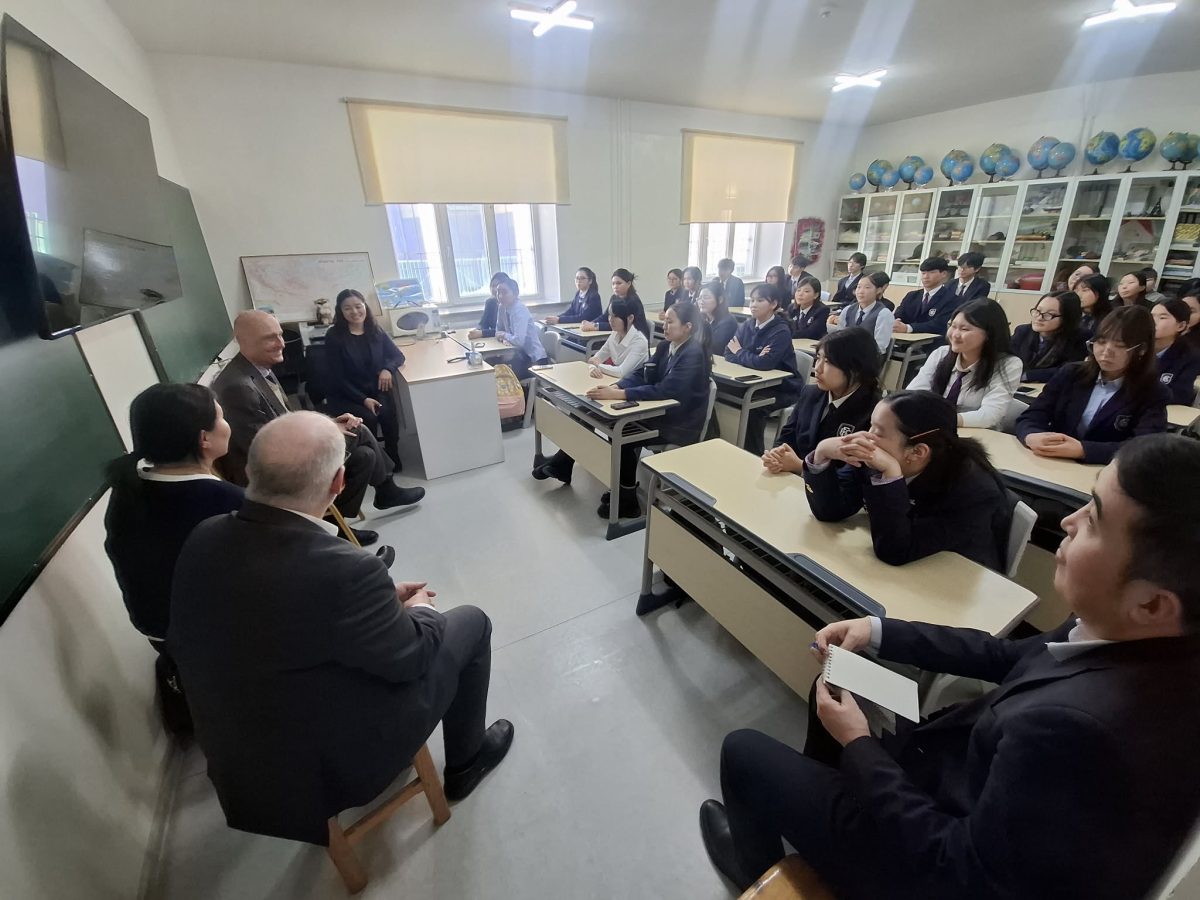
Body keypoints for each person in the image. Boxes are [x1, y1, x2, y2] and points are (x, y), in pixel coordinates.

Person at [704, 432, 1200, 900]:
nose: (1068, 521)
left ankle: (754, 866)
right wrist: (877, 630)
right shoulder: (1128, 631)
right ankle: (818, 811)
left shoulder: (1081, 730)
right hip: (951, 776)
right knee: (834, 683)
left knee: (744, 751)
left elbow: (958, 872)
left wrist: (858, 745)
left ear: (1153, 604)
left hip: (925, 859)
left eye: (1094, 519)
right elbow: (1006, 656)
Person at [169, 412, 514, 848]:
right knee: (471, 622)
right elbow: (411, 659)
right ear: (339, 482)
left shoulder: (204, 536)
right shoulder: (344, 568)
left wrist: (379, 604)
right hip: (331, 768)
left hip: (244, 767)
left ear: (250, 472)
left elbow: (284, 617)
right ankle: (466, 763)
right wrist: (420, 610)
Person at [212, 311, 423, 546]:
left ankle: (334, 526)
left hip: (284, 450)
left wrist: (328, 424)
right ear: (243, 341)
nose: (281, 343)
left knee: (365, 456)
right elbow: (261, 449)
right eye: (270, 338)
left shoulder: (258, 368)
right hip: (271, 472)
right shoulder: (238, 387)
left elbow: (284, 421)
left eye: (280, 335)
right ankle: (385, 489)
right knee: (359, 432)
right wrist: (324, 432)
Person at [104, 383, 242, 735]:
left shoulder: (129, 489)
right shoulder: (224, 501)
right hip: (218, 639)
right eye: (221, 417)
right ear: (204, 439)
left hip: (159, 632)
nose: (227, 424)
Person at [533, 302, 712, 519]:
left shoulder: (693, 353)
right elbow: (642, 373)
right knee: (588, 412)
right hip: (658, 412)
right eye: (664, 321)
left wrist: (621, 394)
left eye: (670, 322)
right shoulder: (666, 346)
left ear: (688, 327)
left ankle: (628, 501)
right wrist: (617, 387)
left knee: (624, 432)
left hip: (678, 423)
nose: (664, 326)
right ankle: (565, 464)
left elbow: (666, 390)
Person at [801, 390, 1011, 570]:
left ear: (918, 451)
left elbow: (895, 550)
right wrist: (822, 453)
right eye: (870, 426)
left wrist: (891, 475)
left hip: (949, 580)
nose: (865, 437)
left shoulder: (973, 492)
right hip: (900, 574)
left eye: (878, 432)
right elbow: (830, 511)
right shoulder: (874, 457)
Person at [1015, 307, 1167, 464]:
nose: (1106, 352)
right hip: (1050, 462)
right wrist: (1031, 435)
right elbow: (1032, 415)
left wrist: (1084, 450)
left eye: (1120, 345)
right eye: (1101, 342)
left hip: (1105, 470)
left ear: (1141, 349)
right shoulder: (1071, 373)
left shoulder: (1153, 392)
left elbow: (1145, 447)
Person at [765, 328, 881, 474]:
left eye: (828, 362)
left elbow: (855, 474)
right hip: (790, 478)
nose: (817, 368)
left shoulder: (874, 413)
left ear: (856, 368)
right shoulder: (810, 393)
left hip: (826, 487)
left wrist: (801, 467)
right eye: (818, 358)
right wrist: (776, 455)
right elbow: (787, 436)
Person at [322, 288, 407, 468]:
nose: (354, 312)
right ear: (340, 311)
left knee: (388, 414)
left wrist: (387, 369)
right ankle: (374, 462)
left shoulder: (375, 330)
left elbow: (398, 356)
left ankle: (392, 454)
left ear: (365, 306)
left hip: (375, 388)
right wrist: (363, 399)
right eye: (347, 308)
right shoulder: (334, 336)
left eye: (358, 306)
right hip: (348, 393)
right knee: (369, 418)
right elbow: (337, 377)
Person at [906, 299, 1021, 429]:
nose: (955, 334)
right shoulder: (941, 354)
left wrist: (942, 419)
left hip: (977, 433)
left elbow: (990, 415)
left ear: (989, 334)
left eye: (964, 329)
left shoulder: (1008, 365)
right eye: (953, 326)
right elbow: (912, 395)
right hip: (934, 429)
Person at [725, 284, 804, 456]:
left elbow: (765, 363)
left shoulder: (780, 330)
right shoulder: (747, 325)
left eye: (760, 300)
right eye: (752, 300)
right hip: (754, 381)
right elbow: (728, 353)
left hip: (782, 387)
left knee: (754, 407)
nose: (753, 304)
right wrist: (752, 357)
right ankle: (729, 448)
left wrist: (741, 352)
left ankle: (753, 454)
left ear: (773, 304)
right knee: (724, 394)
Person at [1010, 291, 1087, 382]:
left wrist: (1026, 375)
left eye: (1049, 314)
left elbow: (1069, 370)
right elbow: (1007, 359)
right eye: (1038, 311)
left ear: (1067, 318)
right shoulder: (1023, 331)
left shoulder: (1080, 337)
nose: (1039, 318)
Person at [494, 276, 549, 380]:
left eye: (504, 292)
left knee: (502, 376)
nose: (500, 296)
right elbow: (498, 331)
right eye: (498, 292)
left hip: (534, 360)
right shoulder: (501, 307)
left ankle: (520, 390)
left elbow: (519, 341)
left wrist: (504, 335)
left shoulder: (519, 309)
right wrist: (503, 337)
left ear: (515, 294)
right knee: (494, 366)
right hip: (519, 355)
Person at [827, 272, 895, 355]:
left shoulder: (884, 314)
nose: (861, 291)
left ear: (878, 290)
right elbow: (839, 337)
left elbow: (880, 347)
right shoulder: (848, 310)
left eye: (867, 287)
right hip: (845, 355)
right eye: (858, 287)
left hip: (869, 357)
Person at [892, 257, 959, 336]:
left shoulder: (952, 299)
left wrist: (908, 328)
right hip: (904, 338)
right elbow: (899, 314)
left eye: (931, 272)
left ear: (944, 274)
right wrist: (896, 322)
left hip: (933, 341)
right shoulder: (911, 296)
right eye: (923, 273)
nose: (925, 276)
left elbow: (939, 324)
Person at [587, 296, 650, 379]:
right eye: (609, 315)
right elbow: (596, 358)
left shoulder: (640, 341)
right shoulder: (614, 334)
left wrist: (597, 365)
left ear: (630, 318)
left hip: (634, 382)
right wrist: (592, 368)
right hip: (616, 380)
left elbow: (621, 372)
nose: (610, 319)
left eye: (615, 316)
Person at [1151, 298, 1200, 405]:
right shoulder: (1136, 347)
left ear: (1181, 326)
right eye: (1151, 316)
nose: (1153, 322)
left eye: (1162, 317)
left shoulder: (1190, 356)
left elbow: (1180, 395)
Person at [786, 274, 829, 341]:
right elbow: (786, 327)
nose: (800, 294)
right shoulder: (791, 308)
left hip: (813, 344)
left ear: (815, 295)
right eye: (798, 290)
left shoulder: (822, 310)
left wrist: (788, 334)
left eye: (806, 291)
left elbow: (809, 333)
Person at [698, 281, 737, 354]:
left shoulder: (728, 323)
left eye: (706, 297)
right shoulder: (703, 318)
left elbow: (715, 348)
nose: (701, 301)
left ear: (720, 300)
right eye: (699, 298)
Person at [467, 271, 507, 340]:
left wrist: (482, 333)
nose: (495, 289)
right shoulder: (490, 302)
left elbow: (504, 330)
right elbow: (483, 323)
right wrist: (477, 330)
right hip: (495, 340)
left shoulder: (509, 305)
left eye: (498, 286)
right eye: (493, 286)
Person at [1076, 273, 1113, 339]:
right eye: (1076, 290)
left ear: (1100, 292)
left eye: (1085, 290)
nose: (1078, 294)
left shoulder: (1110, 318)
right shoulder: (1074, 314)